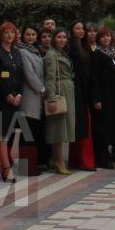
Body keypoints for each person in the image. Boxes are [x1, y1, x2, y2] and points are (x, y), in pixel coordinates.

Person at [90, 26, 115, 169]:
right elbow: (94, 79)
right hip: (103, 97)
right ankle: (102, 158)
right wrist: (96, 99)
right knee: (103, 130)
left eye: (108, 36)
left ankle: (111, 154)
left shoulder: (113, 53)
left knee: (112, 128)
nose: (105, 39)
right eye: (102, 36)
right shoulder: (97, 54)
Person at [0, 22, 25, 183]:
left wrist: (19, 94)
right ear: (1, 35)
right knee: (1, 135)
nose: (10, 35)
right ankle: (6, 168)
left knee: (8, 134)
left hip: (15, 99)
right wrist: (7, 95)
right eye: (6, 32)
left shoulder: (17, 52)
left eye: (12, 32)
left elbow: (20, 75)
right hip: (1, 100)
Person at [43, 28, 76, 174]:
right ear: (54, 38)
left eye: (64, 37)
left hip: (67, 90)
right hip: (59, 90)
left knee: (65, 127)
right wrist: (51, 98)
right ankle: (59, 161)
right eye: (59, 37)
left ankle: (58, 159)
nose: (62, 39)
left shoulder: (62, 53)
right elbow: (49, 78)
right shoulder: (51, 55)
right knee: (59, 128)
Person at [18, 25, 48, 176]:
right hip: (29, 98)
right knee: (27, 135)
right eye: (28, 34)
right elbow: (29, 75)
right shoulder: (23, 52)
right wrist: (42, 90)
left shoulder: (35, 52)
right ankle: (26, 167)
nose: (30, 37)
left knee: (33, 134)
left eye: (33, 34)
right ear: (23, 36)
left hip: (37, 100)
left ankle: (32, 165)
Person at [67, 22, 97, 171]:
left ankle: (82, 160)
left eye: (82, 28)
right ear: (72, 30)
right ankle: (82, 160)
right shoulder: (70, 48)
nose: (80, 31)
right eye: (77, 28)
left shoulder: (86, 47)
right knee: (80, 126)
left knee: (84, 126)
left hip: (86, 90)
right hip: (76, 90)